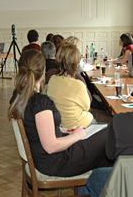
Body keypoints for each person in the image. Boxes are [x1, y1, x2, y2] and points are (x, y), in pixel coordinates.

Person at [8, 49, 111, 177]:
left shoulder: (19, 97)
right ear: (44, 70)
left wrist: (65, 130)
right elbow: (51, 146)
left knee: (107, 143)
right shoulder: (39, 103)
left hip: (47, 158)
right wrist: (76, 136)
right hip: (58, 161)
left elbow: (38, 129)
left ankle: (99, 182)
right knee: (112, 134)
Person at [47, 43, 95, 129]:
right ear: (76, 63)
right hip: (81, 125)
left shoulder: (52, 79)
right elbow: (87, 107)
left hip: (62, 125)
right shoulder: (78, 85)